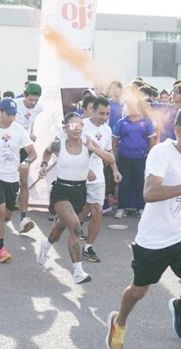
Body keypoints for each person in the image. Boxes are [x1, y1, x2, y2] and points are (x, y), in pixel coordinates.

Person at [105, 107, 181, 349]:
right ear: (179, 131)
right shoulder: (161, 152)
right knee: (138, 291)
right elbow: (150, 193)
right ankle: (119, 322)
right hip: (154, 239)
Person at [36, 113, 115, 284]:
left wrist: (95, 149)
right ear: (65, 128)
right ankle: (78, 272)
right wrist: (43, 165)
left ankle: (46, 244)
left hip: (80, 192)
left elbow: (110, 159)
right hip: (61, 191)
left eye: (80, 125)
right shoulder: (58, 145)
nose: (77, 128)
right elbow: (47, 151)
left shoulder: (88, 144)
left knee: (61, 228)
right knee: (76, 228)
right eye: (72, 125)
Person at [0, 98, 38, 263]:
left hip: (12, 178)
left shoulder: (19, 130)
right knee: (1, 211)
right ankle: (1, 250)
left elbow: (32, 153)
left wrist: (26, 162)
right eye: (8, 114)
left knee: (6, 216)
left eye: (14, 114)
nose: (11, 118)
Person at [77, 97, 121, 262]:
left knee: (97, 212)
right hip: (79, 175)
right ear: (92, 110)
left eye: (107, 114)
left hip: (98, 177)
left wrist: (115, 170)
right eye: (101, 113)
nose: (104, 117)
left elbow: (109, 153)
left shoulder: (107, 129)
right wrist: (85, 169)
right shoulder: (80, 125)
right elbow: (72, 151)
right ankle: (67, 226)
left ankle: (88, 247)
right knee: (81, 211)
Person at [113, 86, 155, 219]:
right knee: (124, 184)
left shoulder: (147, 123)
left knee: (140, 183)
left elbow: (151, 142)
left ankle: (141, 208)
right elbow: (114, 141)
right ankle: (121, 208)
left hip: (141, 158)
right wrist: (114, 157)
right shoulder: (121, 123)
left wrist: (150, 156)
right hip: (124, 158)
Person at [13, 82, 43, 233]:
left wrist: (31, 134)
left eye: (36, 100)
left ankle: (24, 218)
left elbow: (31, 121)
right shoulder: (15, 104)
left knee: (23, 181)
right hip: (9, 147)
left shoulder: (39, 108)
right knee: (8, 183)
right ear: (24, 95)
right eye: (30, 100)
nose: (33, 103)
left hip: (24, 147)